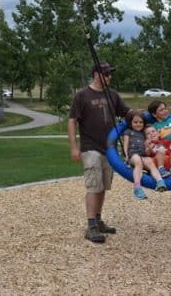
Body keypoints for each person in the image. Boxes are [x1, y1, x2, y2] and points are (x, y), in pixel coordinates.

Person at [68, 61, 130, 244]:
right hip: (90, 147)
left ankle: (98, 219)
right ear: (96, 74)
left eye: (111, 73)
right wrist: (74, 147)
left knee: (103, 186)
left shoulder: (113, 95)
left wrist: (148, 115)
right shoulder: (82, 95)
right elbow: (72, 121)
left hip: (109, 148)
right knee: (93, 186)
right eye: (107, 73)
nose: (110, 77)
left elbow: (126, 113)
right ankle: (91, 226)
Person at [122, 111, 166, 200]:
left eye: (140, 122)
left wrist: (149, 147)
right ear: (131, 122)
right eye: (135, 122)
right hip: (132, 155)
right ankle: (137, 187)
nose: (138, 124)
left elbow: (147, 151)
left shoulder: (144, 133)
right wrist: (126, 155)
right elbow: (125, 144)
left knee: (150, 162)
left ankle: (160, 181)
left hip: (143, 155)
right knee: (138, 161)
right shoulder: (128, 132)